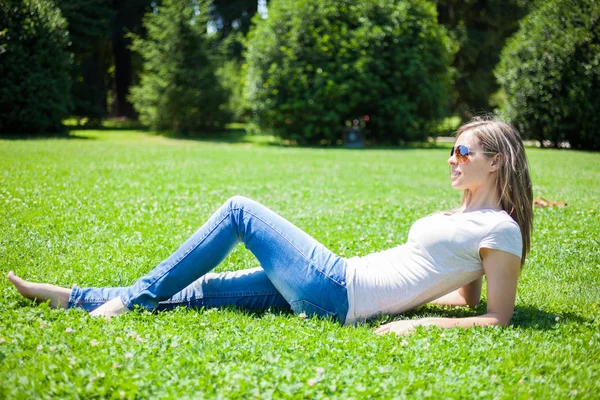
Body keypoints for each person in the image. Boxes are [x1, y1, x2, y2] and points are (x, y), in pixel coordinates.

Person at [7, 117, 533, 336]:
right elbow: (459, 296)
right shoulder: (464, 217)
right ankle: (71, 296)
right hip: (342, 287)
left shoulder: (500, 229)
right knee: (205, 291)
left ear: (496, 162)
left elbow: (494, 316)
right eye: (451, 150)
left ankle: (128, 300)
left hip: (338, 290)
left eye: (462, 150)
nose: (451, 159)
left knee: (239, 209)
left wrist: (414, 323)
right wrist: (405, 299)